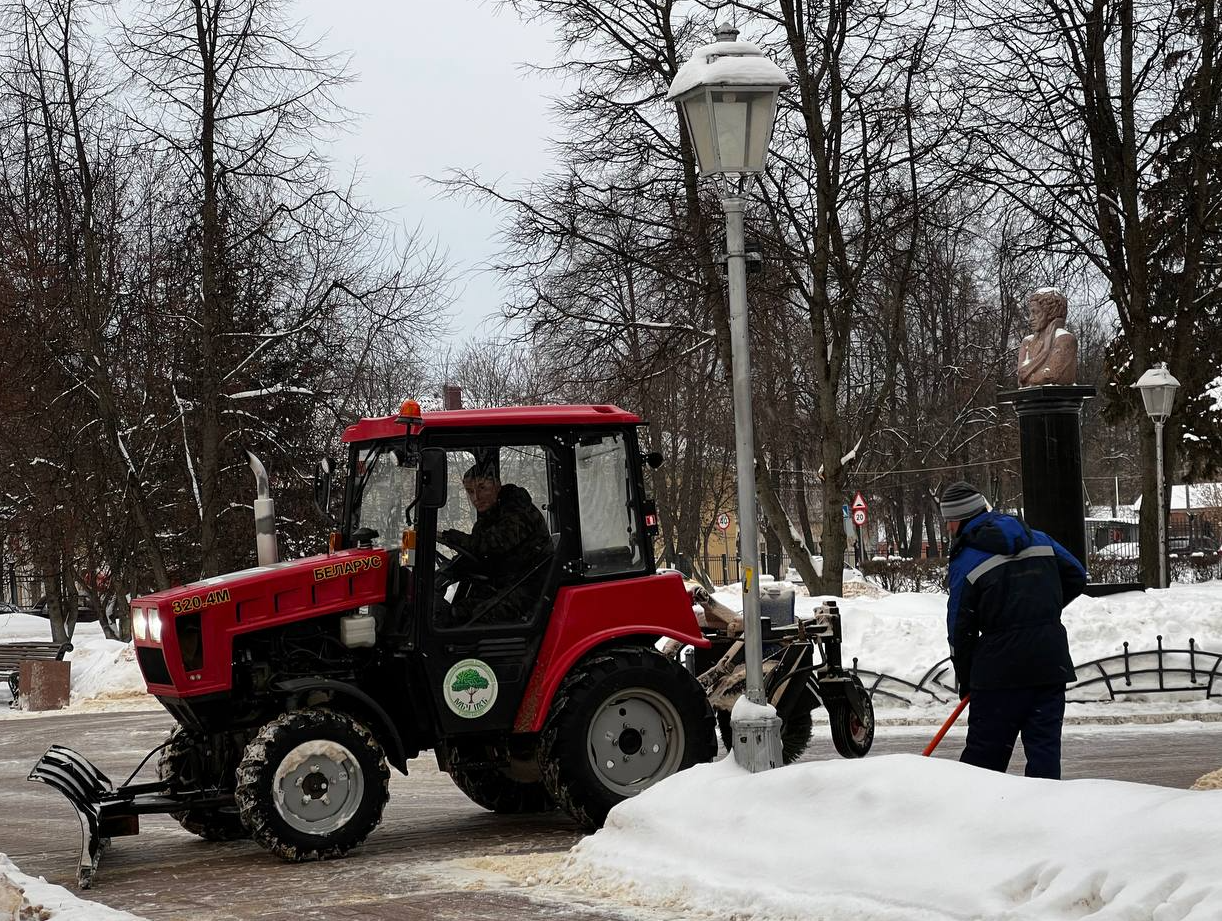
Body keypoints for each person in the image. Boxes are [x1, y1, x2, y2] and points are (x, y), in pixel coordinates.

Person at [941, 481, 1087, 779]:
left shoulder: (966, 559)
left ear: (958, 520)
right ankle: (1042, 820)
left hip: (999, 674)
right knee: (1044, 757)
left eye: (948, 522)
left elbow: (960, 628)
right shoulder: (1039, 538)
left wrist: (967, 677)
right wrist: (1043, 609)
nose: (948, 529)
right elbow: (1077, 575)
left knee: (983, 767)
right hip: (1049, 664)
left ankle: (976, 822)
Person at [436, 462, 552, 626]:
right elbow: (480, 554)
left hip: (530, 588)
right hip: (505, 583)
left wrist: (451, 537)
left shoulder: (518, 511)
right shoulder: (490, 515)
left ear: (497, 485)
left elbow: (491, 544)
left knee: (479, 617)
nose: (476, 497)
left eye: (482, 488)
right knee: (456, 611)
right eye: (470, 491)